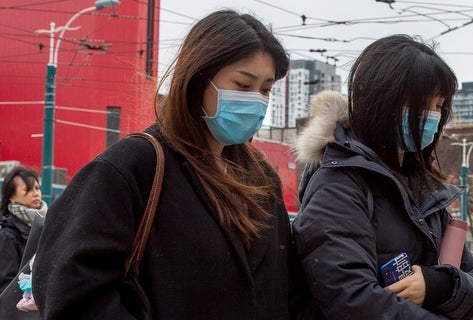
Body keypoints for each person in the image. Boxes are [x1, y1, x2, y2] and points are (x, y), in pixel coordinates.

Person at [32, 9, 296, 319]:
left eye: (265, 90)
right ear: (199, 78)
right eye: (242, 85)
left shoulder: (261, 177)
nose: (257, 101)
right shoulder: (130, 168)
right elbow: (71, 291)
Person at [292, 34, 473, 319]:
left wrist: (440, 286)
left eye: (439, 106)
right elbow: (352, 300)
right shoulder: (338, 185)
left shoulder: (426, 193)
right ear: (382, 99)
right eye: (423, 104)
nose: (432, 117)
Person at [0, 166, 46, 292]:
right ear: (12, 197)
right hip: (22, 304)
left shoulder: (49, 223)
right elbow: (6, 282)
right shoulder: (8, 235)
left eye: (37, 188)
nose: (36, 193)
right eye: (28, 190)